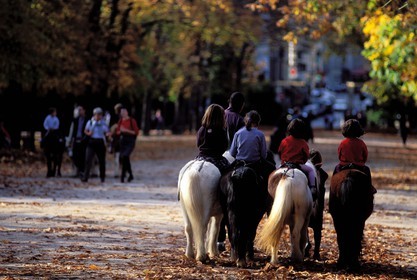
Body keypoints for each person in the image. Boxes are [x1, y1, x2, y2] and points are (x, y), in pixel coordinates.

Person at [230, 110, 275, 184]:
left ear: (245, 121)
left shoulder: (238, 133)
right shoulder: (260, 134)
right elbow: (264, 155)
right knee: (272, 169)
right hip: (255, 165)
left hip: (239, 164)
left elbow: (232, 153)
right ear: (258, 122)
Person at [278, 118, 317, 199]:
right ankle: (313, 187)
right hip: (298, 165)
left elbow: (280, 152)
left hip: (284, 165)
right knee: (311, 170)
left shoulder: (284, 140)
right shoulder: (303, 142)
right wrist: (303, 161)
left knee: (275, 172)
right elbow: (306, 156)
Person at [333, 119, 376, 193]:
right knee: (367, 170)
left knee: (335, 175)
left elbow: (339, 155)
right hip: (359, 167)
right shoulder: (361, 143)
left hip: (343, 167)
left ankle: (333, 191)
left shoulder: (343, 143)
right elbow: (365, 156)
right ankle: (369, 188)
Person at [195, 104, 230, 174]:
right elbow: (224, 147)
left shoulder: (201, 129)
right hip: (216, 159)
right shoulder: (221, 130)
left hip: (201, 157)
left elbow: (198, 144)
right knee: (229, 174)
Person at [81, 107, 109, 183]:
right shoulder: (90, 122)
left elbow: (107, 131)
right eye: (97, 115)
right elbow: (85, 130)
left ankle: (102, 177)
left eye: (100, 115)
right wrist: (88, 133)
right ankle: (85, 177)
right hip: (92, 141)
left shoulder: (103, 123)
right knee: (88, 159)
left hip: (100, 141)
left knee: (101, 161)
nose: (98, 116)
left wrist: (107, 134)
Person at [117, 107, 139, 183]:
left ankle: (122, 177)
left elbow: (136, 132)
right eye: (121, 112)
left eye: (124, 112)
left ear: (127, 112)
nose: (122, 113)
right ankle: (130, 174)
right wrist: (120, 131)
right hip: (123, 141)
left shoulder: (132, 121)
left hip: (130, 141)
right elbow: (117, 132)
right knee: (124, 158)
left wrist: (126, 130)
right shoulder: (120, 121)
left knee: (125, 156)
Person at [67, 105, 88, 177]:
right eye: (79, 110)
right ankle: (78, 170)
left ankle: (82, 171)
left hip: (83, 140)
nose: (80, 111)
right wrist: (70, 140)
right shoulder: (75, 120)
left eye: (81, 110)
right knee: (75, 156)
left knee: (83, 156)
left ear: (84, 110)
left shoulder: (87, 120)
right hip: (76, 139)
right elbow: (72, 130)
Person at [43, 107, 63, 177]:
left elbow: (57, 125)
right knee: (45, 138)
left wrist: (53, 128)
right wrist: (48, 128)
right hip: (49, 131)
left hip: (54, 131)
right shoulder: (47, 118)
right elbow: (45, 124)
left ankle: (55, 170)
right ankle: (49, 171)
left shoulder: (56, 119)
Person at [109, 103, 123, 177]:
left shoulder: (124, 117)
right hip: (116, 138)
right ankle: (117, 171)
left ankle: (119, 171)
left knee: (120, 157)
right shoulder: (113, 117)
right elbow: (111, 128)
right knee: (117, 156)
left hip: (121, 138)